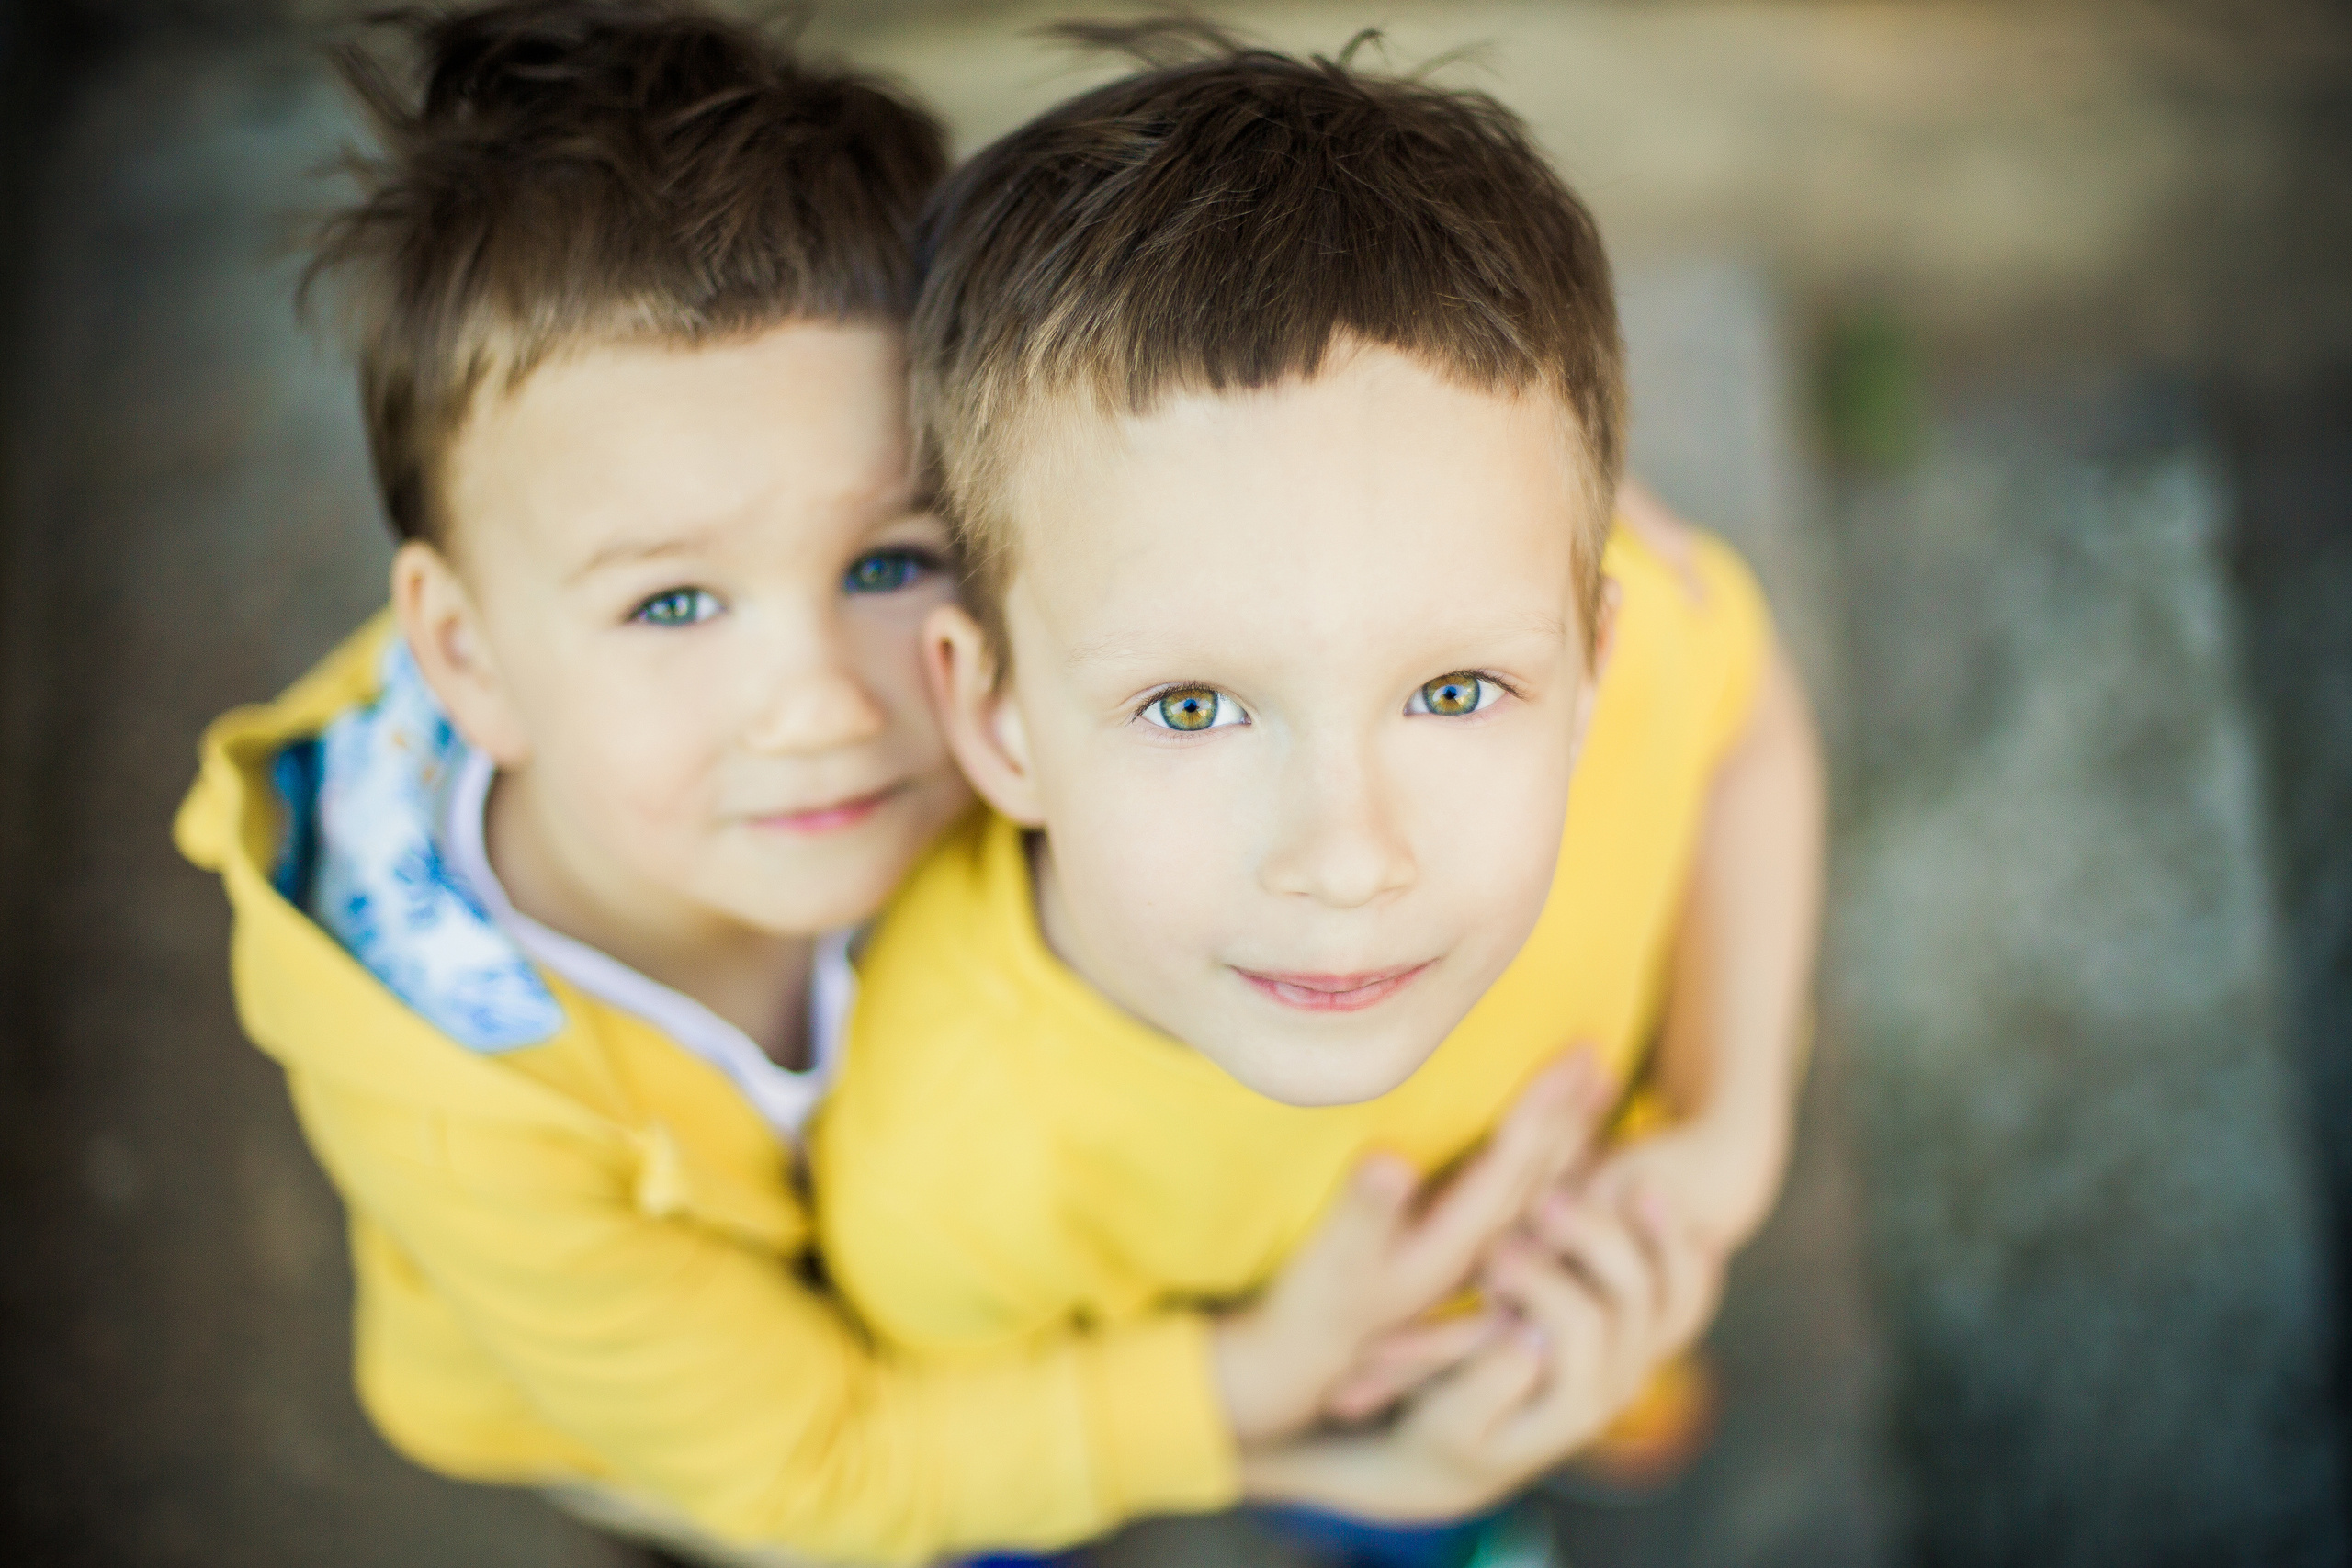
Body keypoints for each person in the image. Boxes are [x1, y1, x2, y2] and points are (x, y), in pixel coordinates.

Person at [172, 5, 1618, 1562]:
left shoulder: (1008, 716)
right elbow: (826, 1467)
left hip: (1001, 1271)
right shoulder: (466, 1111)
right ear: (467, 658)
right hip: (715, 1431)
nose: (815, 706)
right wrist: (1276, 1415)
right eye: (672, 603)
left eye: (888, 560)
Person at [809, 22, 1826, 1555]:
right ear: (996, 715)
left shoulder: (1645, 663)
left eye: (1454, 692)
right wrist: (1357, 1467)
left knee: (1611, 1390)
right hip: (1285, 1424)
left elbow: (1744, 723)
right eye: (1194, 706)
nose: (1347, 860)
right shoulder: (944, 1164)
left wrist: (1731, 1128)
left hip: (1569, 1270)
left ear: (1592, 659)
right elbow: (1008, 1434)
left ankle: (1590, 1415)